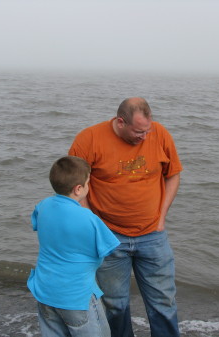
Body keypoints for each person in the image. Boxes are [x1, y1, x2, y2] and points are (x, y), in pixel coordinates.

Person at [68, 97, 183, 337]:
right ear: (120, 122)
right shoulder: (89, 139)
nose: (144, 137)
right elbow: (74, 186)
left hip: (153, 235)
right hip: (109, 237)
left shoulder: (159, 134)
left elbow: (172, 175)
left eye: (147, 130)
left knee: (164, 302)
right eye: (138, 132)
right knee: (115, 304)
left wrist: (161, 217)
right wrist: (93, 223)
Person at [27, 156, 120, 337]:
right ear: (78, 189)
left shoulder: (43, 206)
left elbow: (38, 225)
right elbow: (110, 249)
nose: (88, 186)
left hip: (45, 291)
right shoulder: (89, 218)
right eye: (87, 183)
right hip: (77, 297)